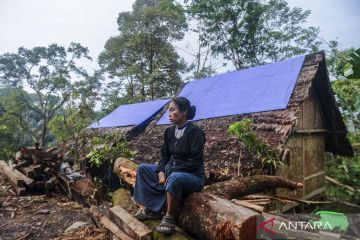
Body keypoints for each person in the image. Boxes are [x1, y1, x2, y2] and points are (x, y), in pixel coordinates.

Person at [133, 96, 206, 235]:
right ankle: (151, 208)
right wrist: (161, 172)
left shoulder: (195, 132)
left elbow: (195, 161)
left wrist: (170, 171)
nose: (170, 114)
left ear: (184, 112)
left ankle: (169, 217)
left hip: (193, 176)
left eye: (173, 110)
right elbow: (164, 156)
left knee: (174, 178)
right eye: (169, 111)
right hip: (171, 170)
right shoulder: (169, 132)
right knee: (142, 169)